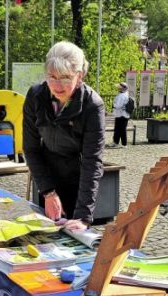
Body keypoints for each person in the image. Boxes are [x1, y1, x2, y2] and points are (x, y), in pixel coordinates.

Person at [22, 41, 106, 232]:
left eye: (66, 78)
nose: (57, 86)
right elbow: (31, 148)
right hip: (46, 177)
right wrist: (48, 191)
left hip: (79, 182)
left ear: (80, 75)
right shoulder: (36, 97)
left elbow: (92, 161)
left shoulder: (93, 106)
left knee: (75, 231)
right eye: (52, 77)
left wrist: (83, 216)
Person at [107, 82, 130, 148]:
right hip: (120, 114)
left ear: (122, 89)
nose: (118, 88)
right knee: (117, 129)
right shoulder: (123, 94)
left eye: (119, 87)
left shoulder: (123, 95)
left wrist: (114, 105)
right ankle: (115, 142)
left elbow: (117, 105)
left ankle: (124, 144)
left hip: (122, 115)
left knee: (122, 130)